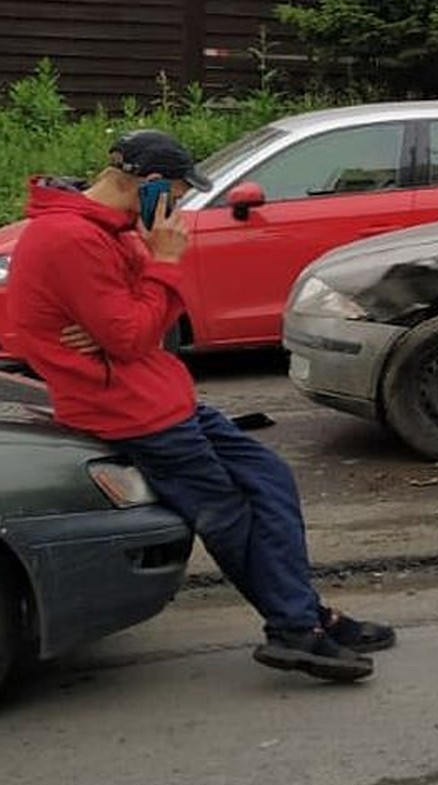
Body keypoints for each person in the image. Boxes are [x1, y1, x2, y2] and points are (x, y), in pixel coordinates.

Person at [6, 128, 395, 683]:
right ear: (151, 185)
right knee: (228, 514)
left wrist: (139, 293)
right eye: (182, 193)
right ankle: (294, 628)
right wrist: (158, 269)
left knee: (272, 478)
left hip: (163, 396)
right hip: (133, 412)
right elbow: (136, 334)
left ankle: (307, 616)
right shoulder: (71, 238)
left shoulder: (112, 230)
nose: (183, 205)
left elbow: (144, 323)